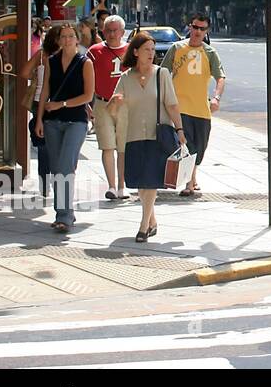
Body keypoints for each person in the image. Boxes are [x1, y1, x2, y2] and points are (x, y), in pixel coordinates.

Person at [110, 31, 186, 242]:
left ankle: (143, 227)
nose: (151, 53)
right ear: (136, 52)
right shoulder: (125, 78)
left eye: (153, 50)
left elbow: (171, 104)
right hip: (133, 135)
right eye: (146, 50)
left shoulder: (162, 74)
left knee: (150, 182)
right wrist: (114, 103)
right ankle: (152, 220)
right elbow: (112, 110)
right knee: (140, 184)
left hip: (157, 136)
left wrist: (179, 130)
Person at [35, 22, 95, 234]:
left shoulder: (85, 62)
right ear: (59, 40)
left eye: (71, 36)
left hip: (75, 121)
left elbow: (88, 95)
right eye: (64, 36)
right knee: (56, 168)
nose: (68, 40)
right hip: (52, 121)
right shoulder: (51, 60)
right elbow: (45, 91)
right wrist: (40, 118)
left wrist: (62, 104)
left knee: (66, 166)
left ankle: (65, 216)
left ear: (77, 39)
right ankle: (61, 212)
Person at [161, 12, 226, 197]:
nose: (197, 31)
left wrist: (216, 98)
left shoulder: (210, 53)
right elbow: (164, 74)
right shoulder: (176, 48)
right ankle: (189, 184)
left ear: (207, 31)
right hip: (180, 107)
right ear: (189, 26)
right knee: (187, 144)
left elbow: (220, 77)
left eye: (202, 29)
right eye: (195, 27)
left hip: (201, 109)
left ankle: (193, 179)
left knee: (200, 146)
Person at [88, 15, 131, 201]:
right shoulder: (94, 51)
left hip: (125, 105)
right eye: (109, 30)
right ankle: (112, 186)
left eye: (115, 30)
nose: (112, 34)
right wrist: (86, 105)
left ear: (122, 32)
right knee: (107, 146)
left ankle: (122, 186)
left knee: (122, 147)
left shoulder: (131, 51)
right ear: (103, 31)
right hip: (102, 103)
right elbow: (86, 79)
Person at [20, 24, 61, 198]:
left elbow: (24, 73)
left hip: (40, 103)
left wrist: (37, 75)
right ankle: (57, 181)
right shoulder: (67, 57)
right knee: (59, 144)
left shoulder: (42, 56)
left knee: (43, 146)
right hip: (60, 102)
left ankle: (45, 184)